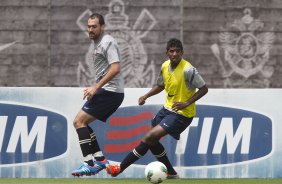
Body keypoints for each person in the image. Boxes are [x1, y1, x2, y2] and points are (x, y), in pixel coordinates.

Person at [106, 38, 208, 178]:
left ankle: (119, 168)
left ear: (182, 52)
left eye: (178, 51)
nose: (174, 54)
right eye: (171, 51)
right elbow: (161, 85)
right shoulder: (165, 66)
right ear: (167, 53)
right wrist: (146, 95)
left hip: (182, 113)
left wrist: (186, 103)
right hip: (167, 110)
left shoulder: (188, 70)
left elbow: (204, 89)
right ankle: (171, 173)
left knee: (150, 136)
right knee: (152, 140)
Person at [71, 13, 124, 177]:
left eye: (94, 26)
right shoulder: (98, 43)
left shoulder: (107, 41)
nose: (91, 29)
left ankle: (89, 164)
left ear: (102, 27)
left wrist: (95, 87)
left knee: (78, 121)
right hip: (107, 91)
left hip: (110, 92)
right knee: (83, 124)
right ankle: (100, 160)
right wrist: (96, 87)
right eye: (89, 26)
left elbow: (115, 68)